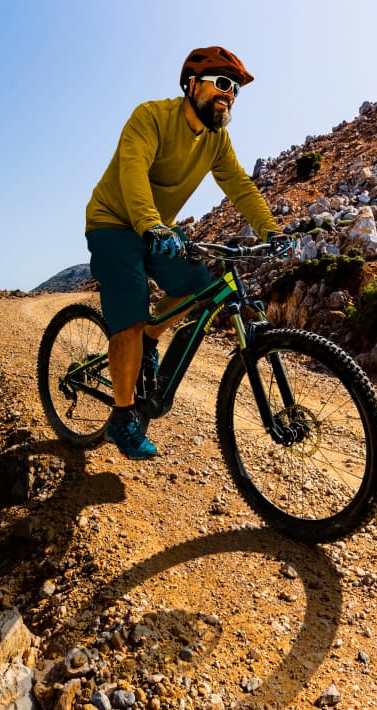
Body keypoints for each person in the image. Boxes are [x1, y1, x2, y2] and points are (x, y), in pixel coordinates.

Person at [84, 46, 288, 459]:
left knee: (198, 282)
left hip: (156, 228)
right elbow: (133, 170)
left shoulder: (216, 139)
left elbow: (241, 187)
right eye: (222, 84)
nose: (229, 95)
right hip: (114, 222)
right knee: (131, 312)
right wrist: (151, 224)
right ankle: (122, 418)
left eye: (234, 90)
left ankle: (151, 341)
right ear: (192, 84)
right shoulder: (151, 117)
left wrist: (271, 230)